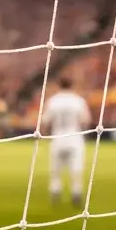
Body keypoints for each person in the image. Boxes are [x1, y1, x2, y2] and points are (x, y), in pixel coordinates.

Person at [40, 78, 90, 208]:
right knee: (76, 168)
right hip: (75, 137)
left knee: (56, 169)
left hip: (58, 137)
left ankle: (55, 193)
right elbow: (85, 120)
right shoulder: (78, 101)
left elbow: (45, 121)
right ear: (72, 85)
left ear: (59, 85)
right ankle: (76, 193)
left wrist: (45, 135)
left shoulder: (53, 101)